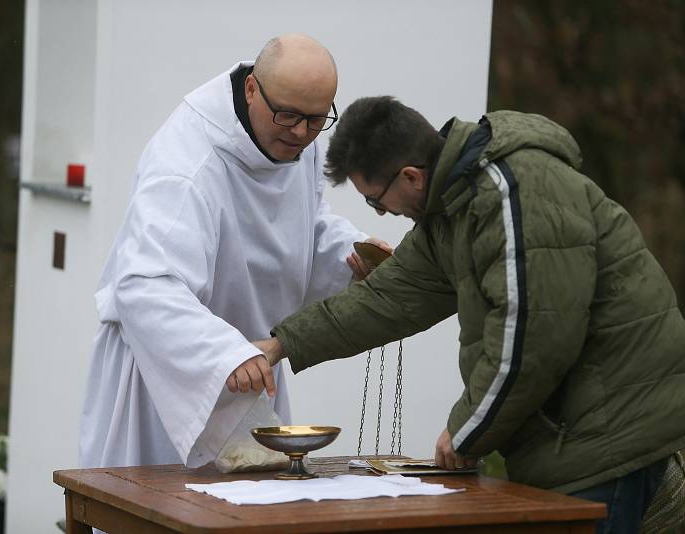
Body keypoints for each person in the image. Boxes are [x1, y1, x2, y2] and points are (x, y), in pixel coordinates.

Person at [252, 97, 685, 532]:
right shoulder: (452, 208)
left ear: (411, 177)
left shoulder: (513, 194)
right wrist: (280, 344)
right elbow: (388, 297)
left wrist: (467, 431)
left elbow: (533, 338)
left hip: (610, 438)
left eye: (377, 202)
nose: (386, 214)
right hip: (577, 434)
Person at [79, 35, 382, 470]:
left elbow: (308, 224)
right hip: (172, 372)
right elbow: (142, 285)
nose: (301, 133)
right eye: (289, 116)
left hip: (251, 364)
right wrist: (225, 353)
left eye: (317, 120)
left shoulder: (299, 137)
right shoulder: (187, 166)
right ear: (252, 90)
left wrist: (352, 255)